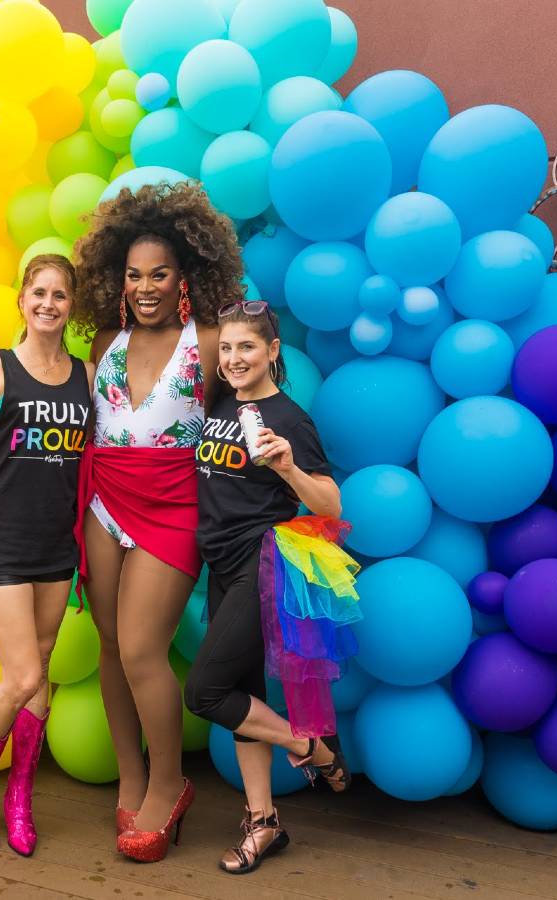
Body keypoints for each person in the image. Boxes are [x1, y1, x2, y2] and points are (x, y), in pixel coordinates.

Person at [71, 181, 243, 862]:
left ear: (186, 276)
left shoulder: (207, 341)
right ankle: (133, 774)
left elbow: (249, 407)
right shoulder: (104, 339)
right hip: (104, 501)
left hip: (174, 508)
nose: (145, 287)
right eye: (134, 274)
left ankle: (169, 785)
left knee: (144, 649)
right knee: (111, 646)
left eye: (160, 273)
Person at [184, 300, 361, 875]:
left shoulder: (288, 419)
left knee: (205, 691)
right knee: (241, 691)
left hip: (262, 565)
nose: (234, 359)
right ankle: (263, 824)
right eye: (227, 348)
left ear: (273, 352)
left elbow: (333, 505)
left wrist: (287, 467)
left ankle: (309, 747)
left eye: (247, 348)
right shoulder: (217, 400)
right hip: (221, 561)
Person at [0, 254, 92, 857]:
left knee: (45, 667)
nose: (49, 304)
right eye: (39, 293)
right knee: (23, 674)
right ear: (22, 301)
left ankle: (20, 797)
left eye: (60, 294)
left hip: (58, 540)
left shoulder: (86, 376)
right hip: (2, 537)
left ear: (71, 304)